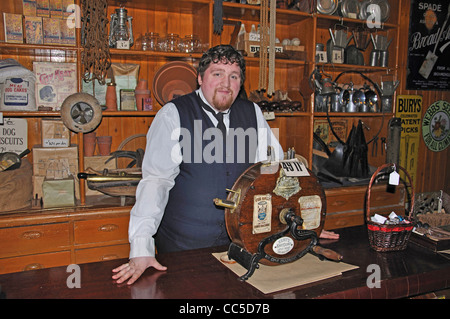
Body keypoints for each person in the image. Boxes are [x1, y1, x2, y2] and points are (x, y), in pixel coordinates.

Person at [112, 44, 337, 285]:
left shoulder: (252, 112)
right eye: (217, 73)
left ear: (241, 83)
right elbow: (155, 182)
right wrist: (141, 246)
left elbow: (278, 172)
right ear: (200, 78)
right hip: (184, 247)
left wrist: (304, 225)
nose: (225, 84)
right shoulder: (173, 114)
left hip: (242, 242)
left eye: (234, 76)